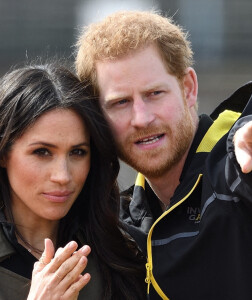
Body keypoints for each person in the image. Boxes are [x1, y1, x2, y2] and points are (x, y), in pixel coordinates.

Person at [75, 10, 252, 300]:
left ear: (188, 88)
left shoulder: (236, 170)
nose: (141, 118)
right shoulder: (114, 228)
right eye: (120, 102)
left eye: (155, 93)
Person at [0, 61, 146, 300]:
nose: (63, 176)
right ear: (1, 153)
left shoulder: (119, 251)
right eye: (42, 152)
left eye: (77, 152)